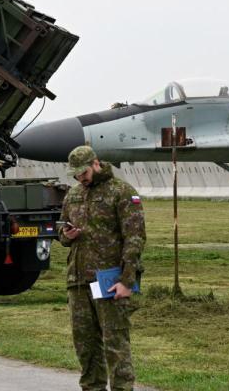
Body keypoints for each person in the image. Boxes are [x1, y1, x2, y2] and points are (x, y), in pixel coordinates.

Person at [59, 145, 146, 391]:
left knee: (115, 344)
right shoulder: (74, 194)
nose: (80, 178)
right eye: (76, 174)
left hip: (108, 280)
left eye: (83, 172)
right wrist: (67, 234)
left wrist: (127, 280)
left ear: (95, 164)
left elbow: (135, 238)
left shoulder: (121, 192)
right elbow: (62, 233)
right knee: (85, 346)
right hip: (78, 281)